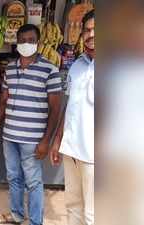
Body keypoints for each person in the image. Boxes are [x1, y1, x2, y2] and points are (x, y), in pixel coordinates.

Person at [0, 24, 63, 225]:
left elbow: (56, 109)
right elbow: (3, 100)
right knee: (14, 178)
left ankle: (36, 221)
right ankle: (16, 215)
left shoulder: (50, 69)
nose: (26, 44)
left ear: (37, 43)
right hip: (10, 136)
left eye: (31, 40)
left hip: (33, 139)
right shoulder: (10, 68)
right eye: (22, 40)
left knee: (33, 182)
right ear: (16, 42)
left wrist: (46, 140)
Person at [49, 9, 94, 225]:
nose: (91, 34)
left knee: (94, 215)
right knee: (73, 207)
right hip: (72, 151)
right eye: (87, 30)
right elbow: (70, 107)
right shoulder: (77, 66)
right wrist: (58, 140)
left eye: (97, 30)